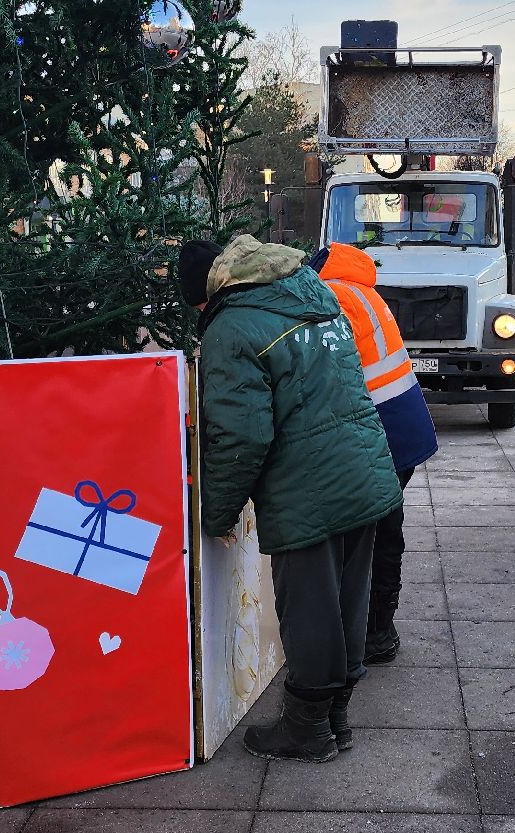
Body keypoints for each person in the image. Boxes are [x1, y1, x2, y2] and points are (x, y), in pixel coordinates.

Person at [182, 235, 403, 762]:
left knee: (308, 611)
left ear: (207, 296)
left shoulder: (232, 327)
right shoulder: (313, 294)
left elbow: (240, 437)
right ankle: (335, 719)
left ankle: (306, 729)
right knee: (347, 601)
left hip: (307, 487)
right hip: (365, 469)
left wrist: (216, 514)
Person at [313, 242, 438, 675]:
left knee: (371, 535)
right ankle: (379, 631)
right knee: (386, 528)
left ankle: (373, 634)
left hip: (379, 430)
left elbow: (332, 372)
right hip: (403, 422)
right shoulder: (361, 288)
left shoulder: (332, 296)